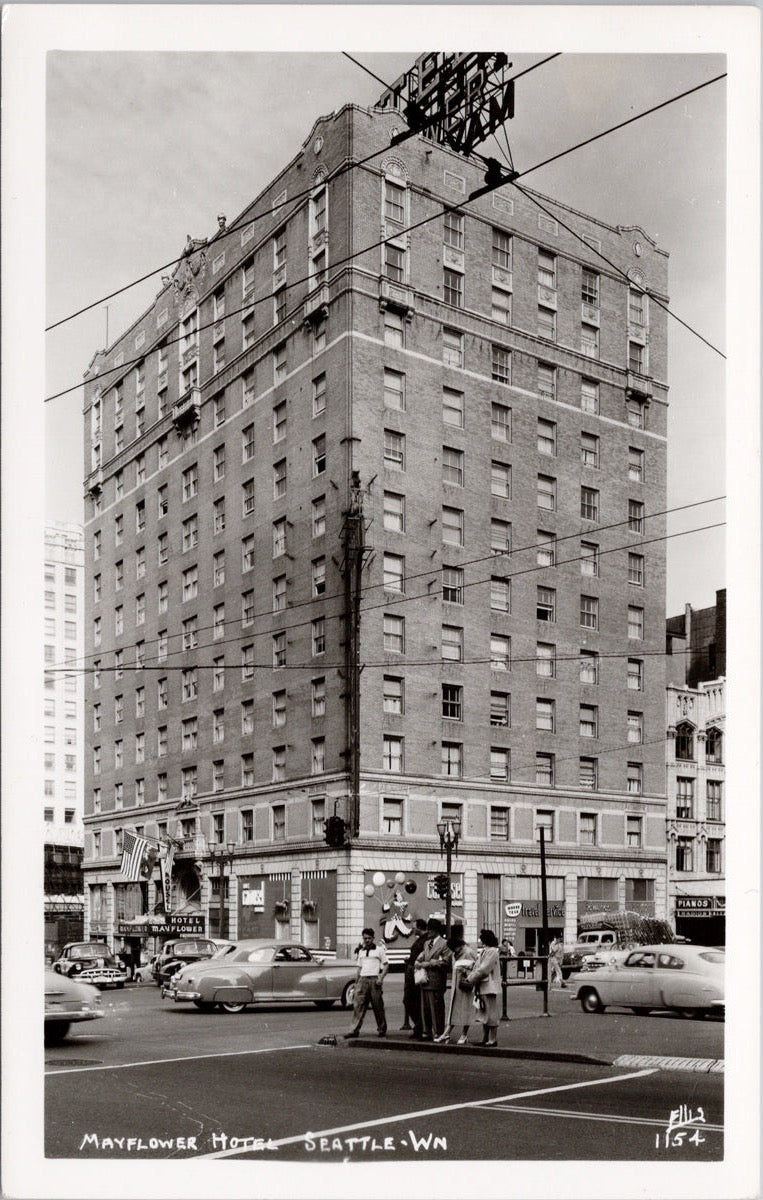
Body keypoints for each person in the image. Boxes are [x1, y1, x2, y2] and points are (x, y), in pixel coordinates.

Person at [434, 925, 476, 1044]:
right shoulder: (455, 954)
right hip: (457, 985)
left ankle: (463, 1034)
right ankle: (447, 1033)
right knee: (455, 1009)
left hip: (465, 985)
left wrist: (466, 972)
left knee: (465, 1009)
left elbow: (475, 967)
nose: (455, 951)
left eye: (455, 949)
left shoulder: (468, 952)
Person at [343, 928, 388, 1038]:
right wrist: (356, 982)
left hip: (374, 980)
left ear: (373, 938)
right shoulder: (361, 951)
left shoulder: (379, 950)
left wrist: (381, 978)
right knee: (358, 1006)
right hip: (362, 980)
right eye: (365, 938)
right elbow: (359, 968)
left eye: (369, 938)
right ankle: (354, 1030)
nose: (367, 940)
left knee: (378, 1006)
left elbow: (386, 965)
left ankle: (382, 1029)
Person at [415, 917, 452, 1041]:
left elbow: (446, 962)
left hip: (436, 980)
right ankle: (427, 1031)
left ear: (436, 931)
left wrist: (429, 963)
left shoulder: (444, 944)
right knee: (425, 1007)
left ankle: (438, 1031)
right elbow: (424, 955)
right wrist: (419, 960)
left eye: (430, 930)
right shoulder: (426, 943)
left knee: (436, 1007)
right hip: (424, 979)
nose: (428, 932)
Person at [466, 929, 501, 1046]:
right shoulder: (486, 951)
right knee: (485, 1013)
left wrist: (470, 978)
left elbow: (484, 969)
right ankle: (486, 1038)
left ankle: (492, 1039)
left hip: (489, 985)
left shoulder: (492, 952)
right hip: (483, 985)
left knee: (491, 1013)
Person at [402, 918, 428, 1034]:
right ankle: (419, 1025)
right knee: (410, 1000)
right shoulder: (421, 940)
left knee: (412, 1000)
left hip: (417, 972)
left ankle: (420, 1025)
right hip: (412, 969)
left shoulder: (425, 941)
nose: (412, 929)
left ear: (419, 928)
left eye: (414, 927)